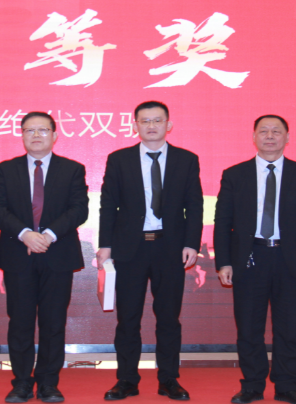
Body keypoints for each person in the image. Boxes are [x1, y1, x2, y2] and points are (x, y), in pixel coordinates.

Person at [97, 101, 203, 401]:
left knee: (168, 318)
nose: (151, 126)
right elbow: (108, 205)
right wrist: (106, 245)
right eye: (145, 121)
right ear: (135, 125)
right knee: (128, 318)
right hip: (130, 249)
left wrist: (191, 243)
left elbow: (194, 205)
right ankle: (126, 380)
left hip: (170, 248)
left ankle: (169, 379)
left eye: (157, 120)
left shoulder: (186, 159)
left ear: (169, 124)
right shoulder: (119, 159)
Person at [213, 115, 296, 404]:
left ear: (288, 137)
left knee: (288, 327)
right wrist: (224, 262)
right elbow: (223, 222)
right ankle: (252, 385)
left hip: (290, 259)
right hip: (250, 258)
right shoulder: (235, 175)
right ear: (254, 137)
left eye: (277, 131)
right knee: (249, 327)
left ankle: (287, 386)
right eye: (264, 131)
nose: (270, 136)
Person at [0, 112, 89, 403]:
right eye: (29, 130)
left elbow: (78, 209)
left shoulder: (72, 169)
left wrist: (48, 235)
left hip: (58, 254)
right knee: (20, 321)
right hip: (18, 253)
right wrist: (25, 234)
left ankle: (48, 383)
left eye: (42, 130)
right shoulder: (5, 170)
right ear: (21, 135)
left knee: (53, 322)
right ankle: (21, 383)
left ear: (54, 135)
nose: (35, 135)